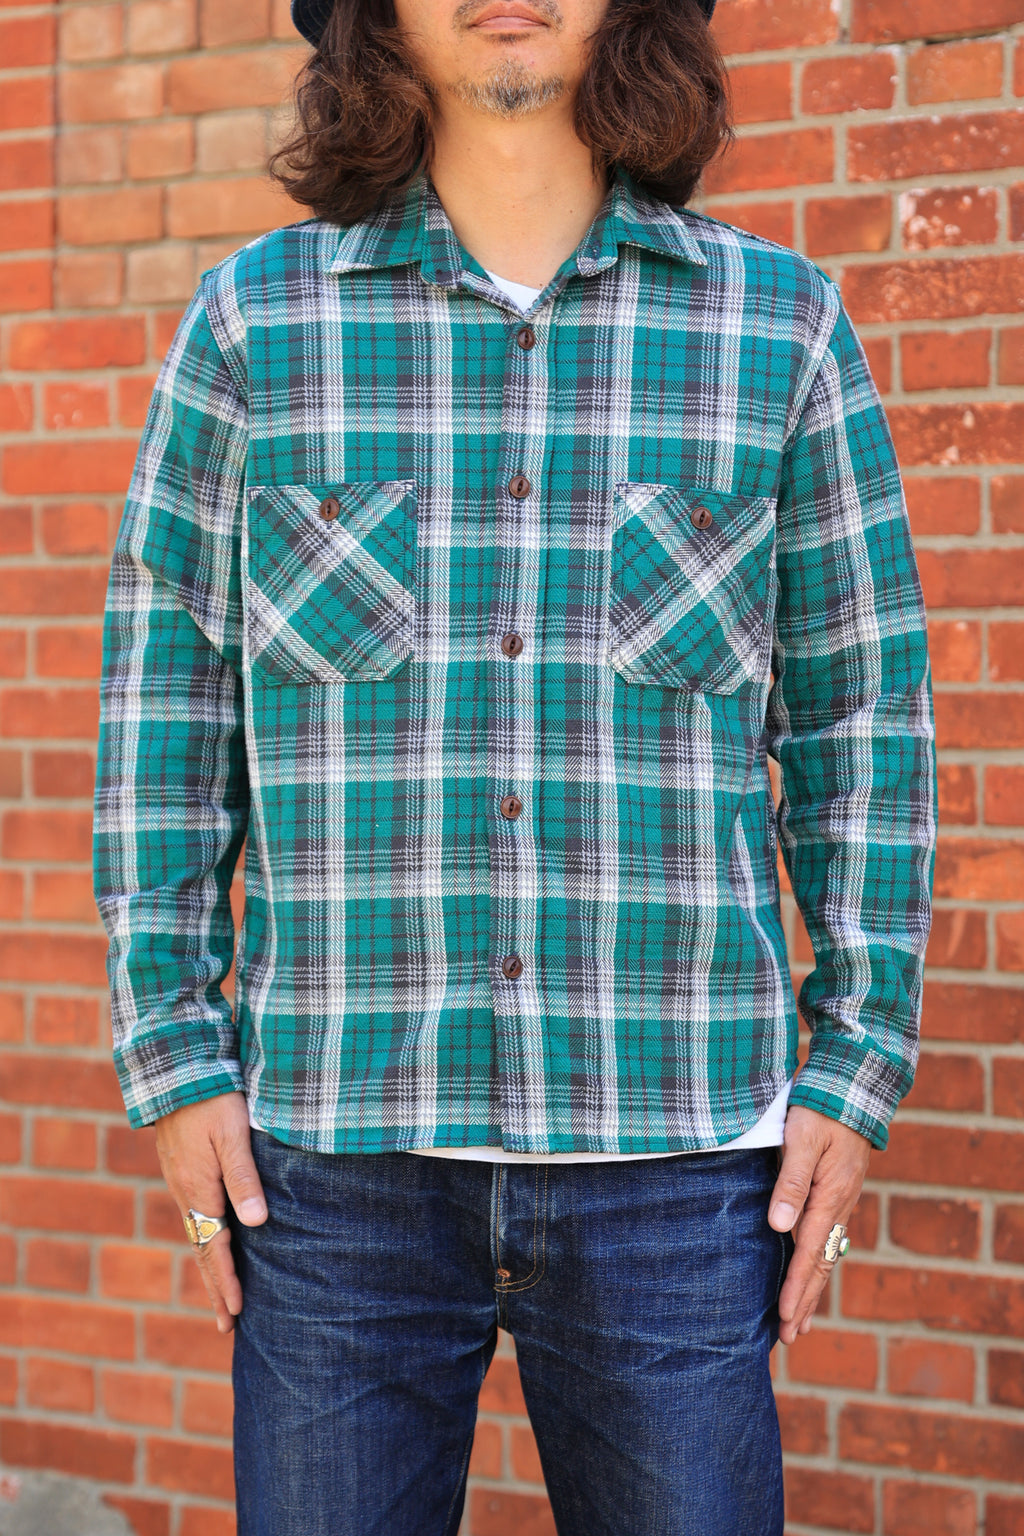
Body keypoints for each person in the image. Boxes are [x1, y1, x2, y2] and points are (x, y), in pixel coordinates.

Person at [92, 0, 937, 1528]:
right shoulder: (254, 331)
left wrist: (857, 1060)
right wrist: (171, 1053)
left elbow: (860, 719)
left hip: (679, 1161)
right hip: (332, 1161)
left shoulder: (781, 332)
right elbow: (166, 718)